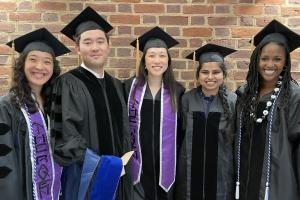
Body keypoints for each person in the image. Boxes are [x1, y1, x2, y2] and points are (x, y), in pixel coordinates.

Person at [50, 6, 132, 199]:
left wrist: (121, 165)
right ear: (77, 48)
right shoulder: (67, 83)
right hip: (84, 180)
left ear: (108, 45)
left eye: (100, 41)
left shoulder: (117, 85)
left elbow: (125, 132)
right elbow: (66, 136)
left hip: (118, 179)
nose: (95, 47)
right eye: (87, 42)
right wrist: (104, 166)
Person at [0, 28, 70, 200]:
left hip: (56, 191)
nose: (40, 67)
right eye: (33, 60)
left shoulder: (55, 104)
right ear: (22, 64)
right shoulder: (7, 106)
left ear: (54, 68)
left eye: (47, 62)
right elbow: (4, 162)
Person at [234, 19, 300, 200]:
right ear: (256, 60)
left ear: (285, 62)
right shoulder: (244, 94)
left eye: (277, 59)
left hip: (277, 180)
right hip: (245, 177)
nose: (270, 64)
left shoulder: (293, 96)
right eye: (264, 58)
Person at [123, 26, 185, 200]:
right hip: (138, 168)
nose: (157, 60)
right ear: (144, 60)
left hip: (166, 167)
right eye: (151, 55)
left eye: (162, 55)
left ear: (168, 61)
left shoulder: (178, 92)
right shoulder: (129, 88)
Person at [175, 44, 237, 200]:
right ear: (198, 75)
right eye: (205, 72)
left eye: (216, 72)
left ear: (223, 75)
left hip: (220, 170)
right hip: (190, 169)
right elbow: (181, 132)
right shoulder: (187, 99)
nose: (210, 77)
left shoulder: (233, 100)